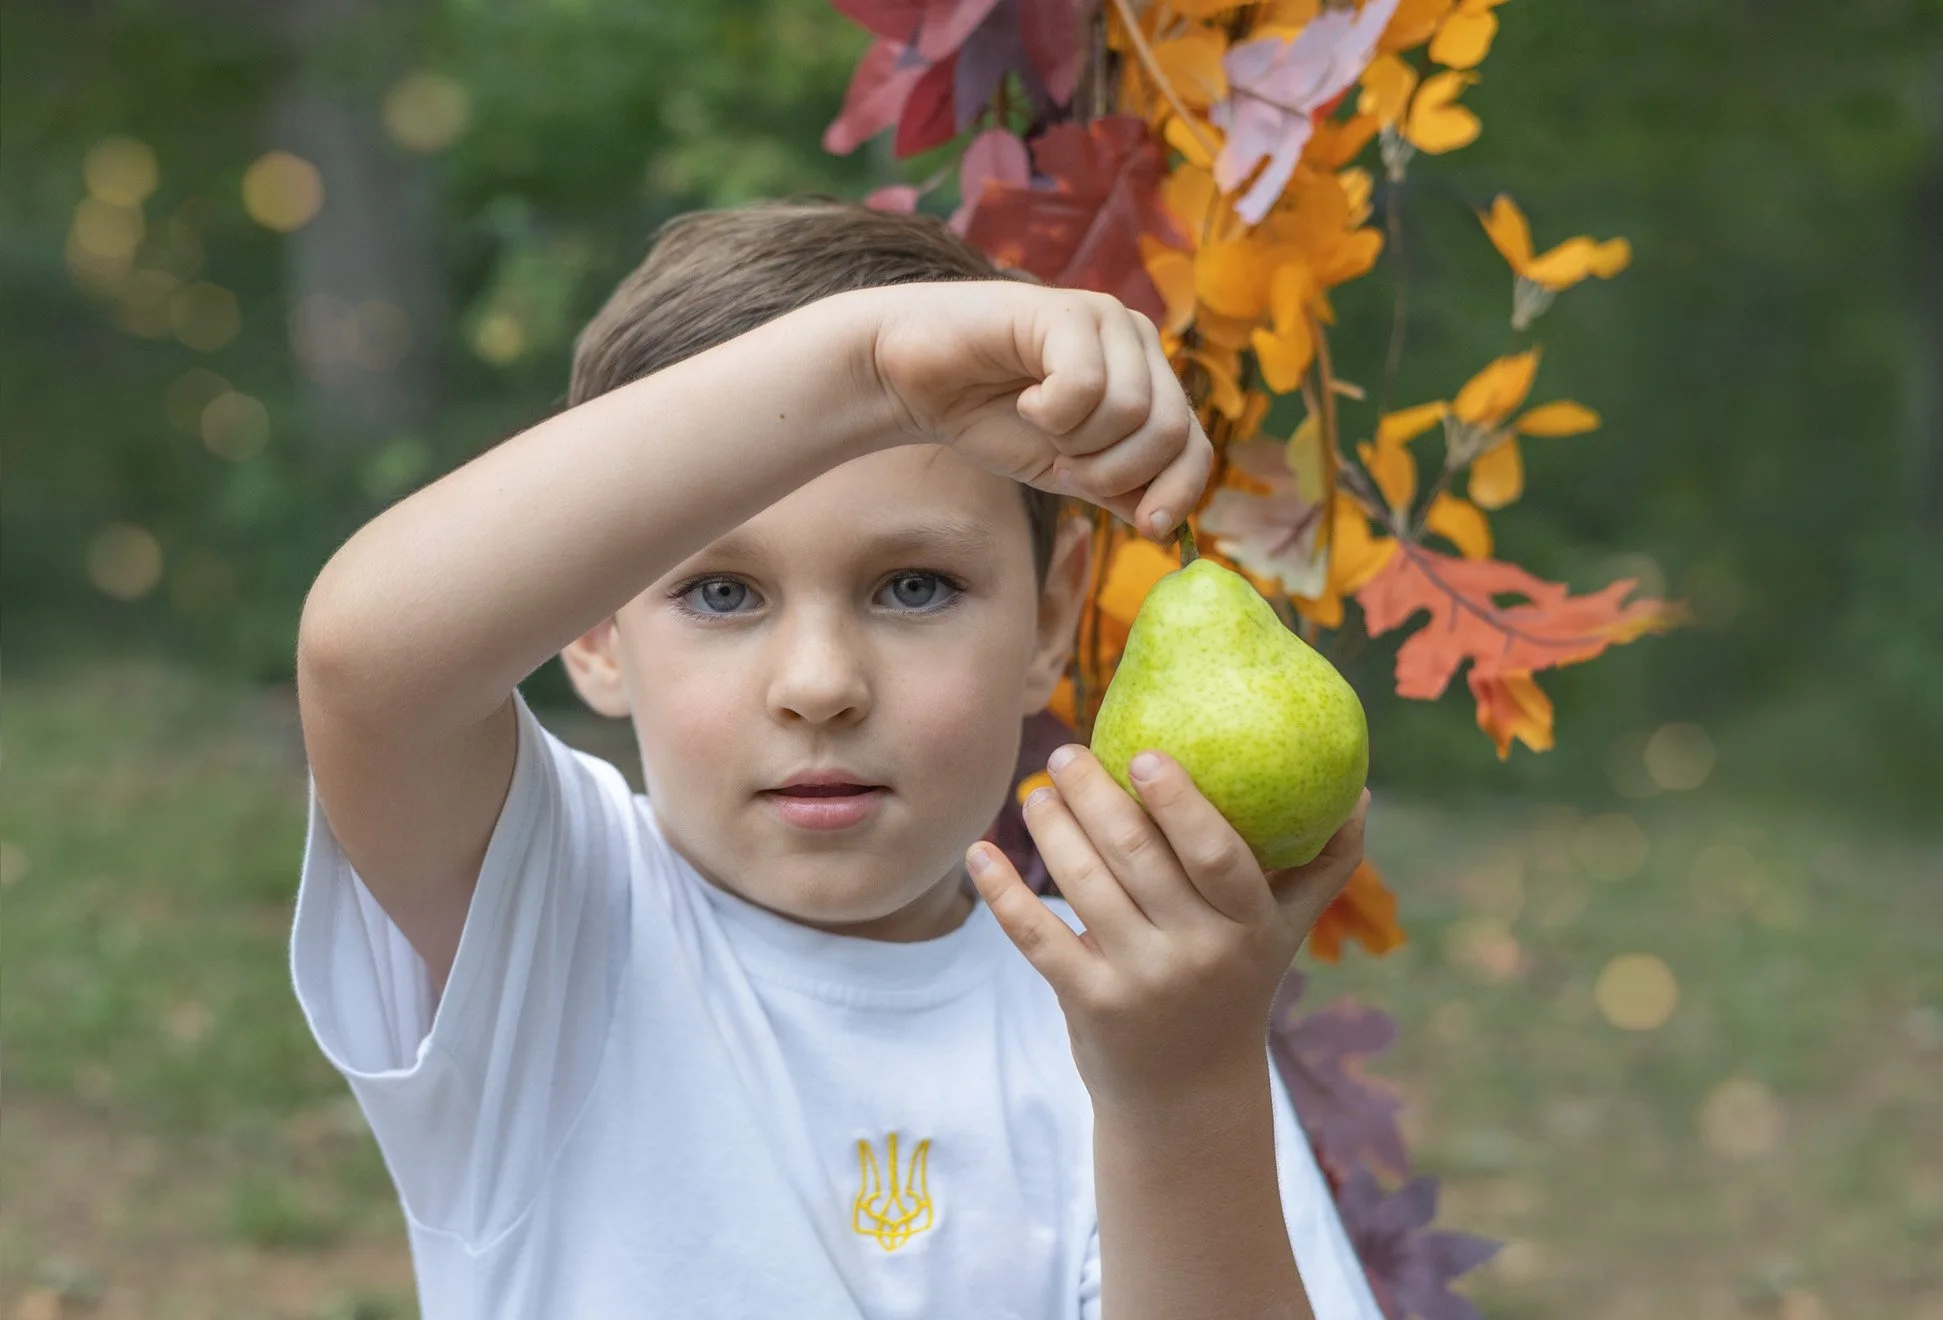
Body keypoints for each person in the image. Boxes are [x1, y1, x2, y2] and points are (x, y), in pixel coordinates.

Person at [288, 196, 1381, 1319]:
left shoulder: (1138, 1022)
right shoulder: (544, 927)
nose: (819, 684)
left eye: (914, 587)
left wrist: (1183, 1097)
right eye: (722, 593)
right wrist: (870, 372)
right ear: (592, 630)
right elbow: (366, 668)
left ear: (1051, 622)